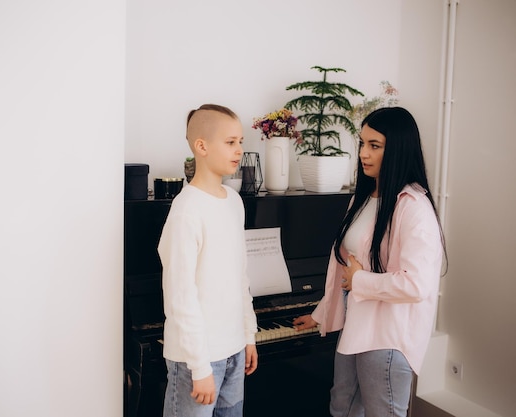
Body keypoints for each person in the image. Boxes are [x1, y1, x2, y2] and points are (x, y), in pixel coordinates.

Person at [293, 107, 447, 417]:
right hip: (356, 325)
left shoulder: (413, 206)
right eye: (362, 143)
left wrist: (361, 280)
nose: (363, 153)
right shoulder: (362, 198)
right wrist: (321, 312)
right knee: (343, 407)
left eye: (374, 146)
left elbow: (415, 284)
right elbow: (347, 267)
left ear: (398, 150)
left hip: (388, 337)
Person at [158, 104, 259, 417]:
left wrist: (248, 335)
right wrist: (199, 366)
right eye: (230, 142)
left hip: (233, 351)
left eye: (240, 142)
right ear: (201, 146)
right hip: (197, 359)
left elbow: (239, 278)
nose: (239, 150)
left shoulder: (235, 202)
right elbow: (180, 296)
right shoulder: (186, 210)